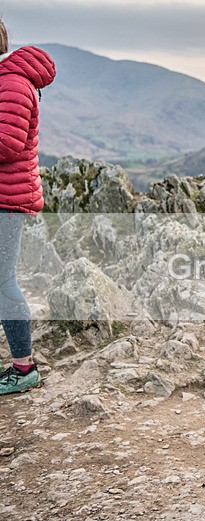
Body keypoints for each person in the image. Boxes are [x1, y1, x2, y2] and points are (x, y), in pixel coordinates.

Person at [0, 18, 56, 395]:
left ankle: (24, 368)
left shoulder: (13, 84)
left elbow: (8, 144)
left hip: (7, 200)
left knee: (3, 281)